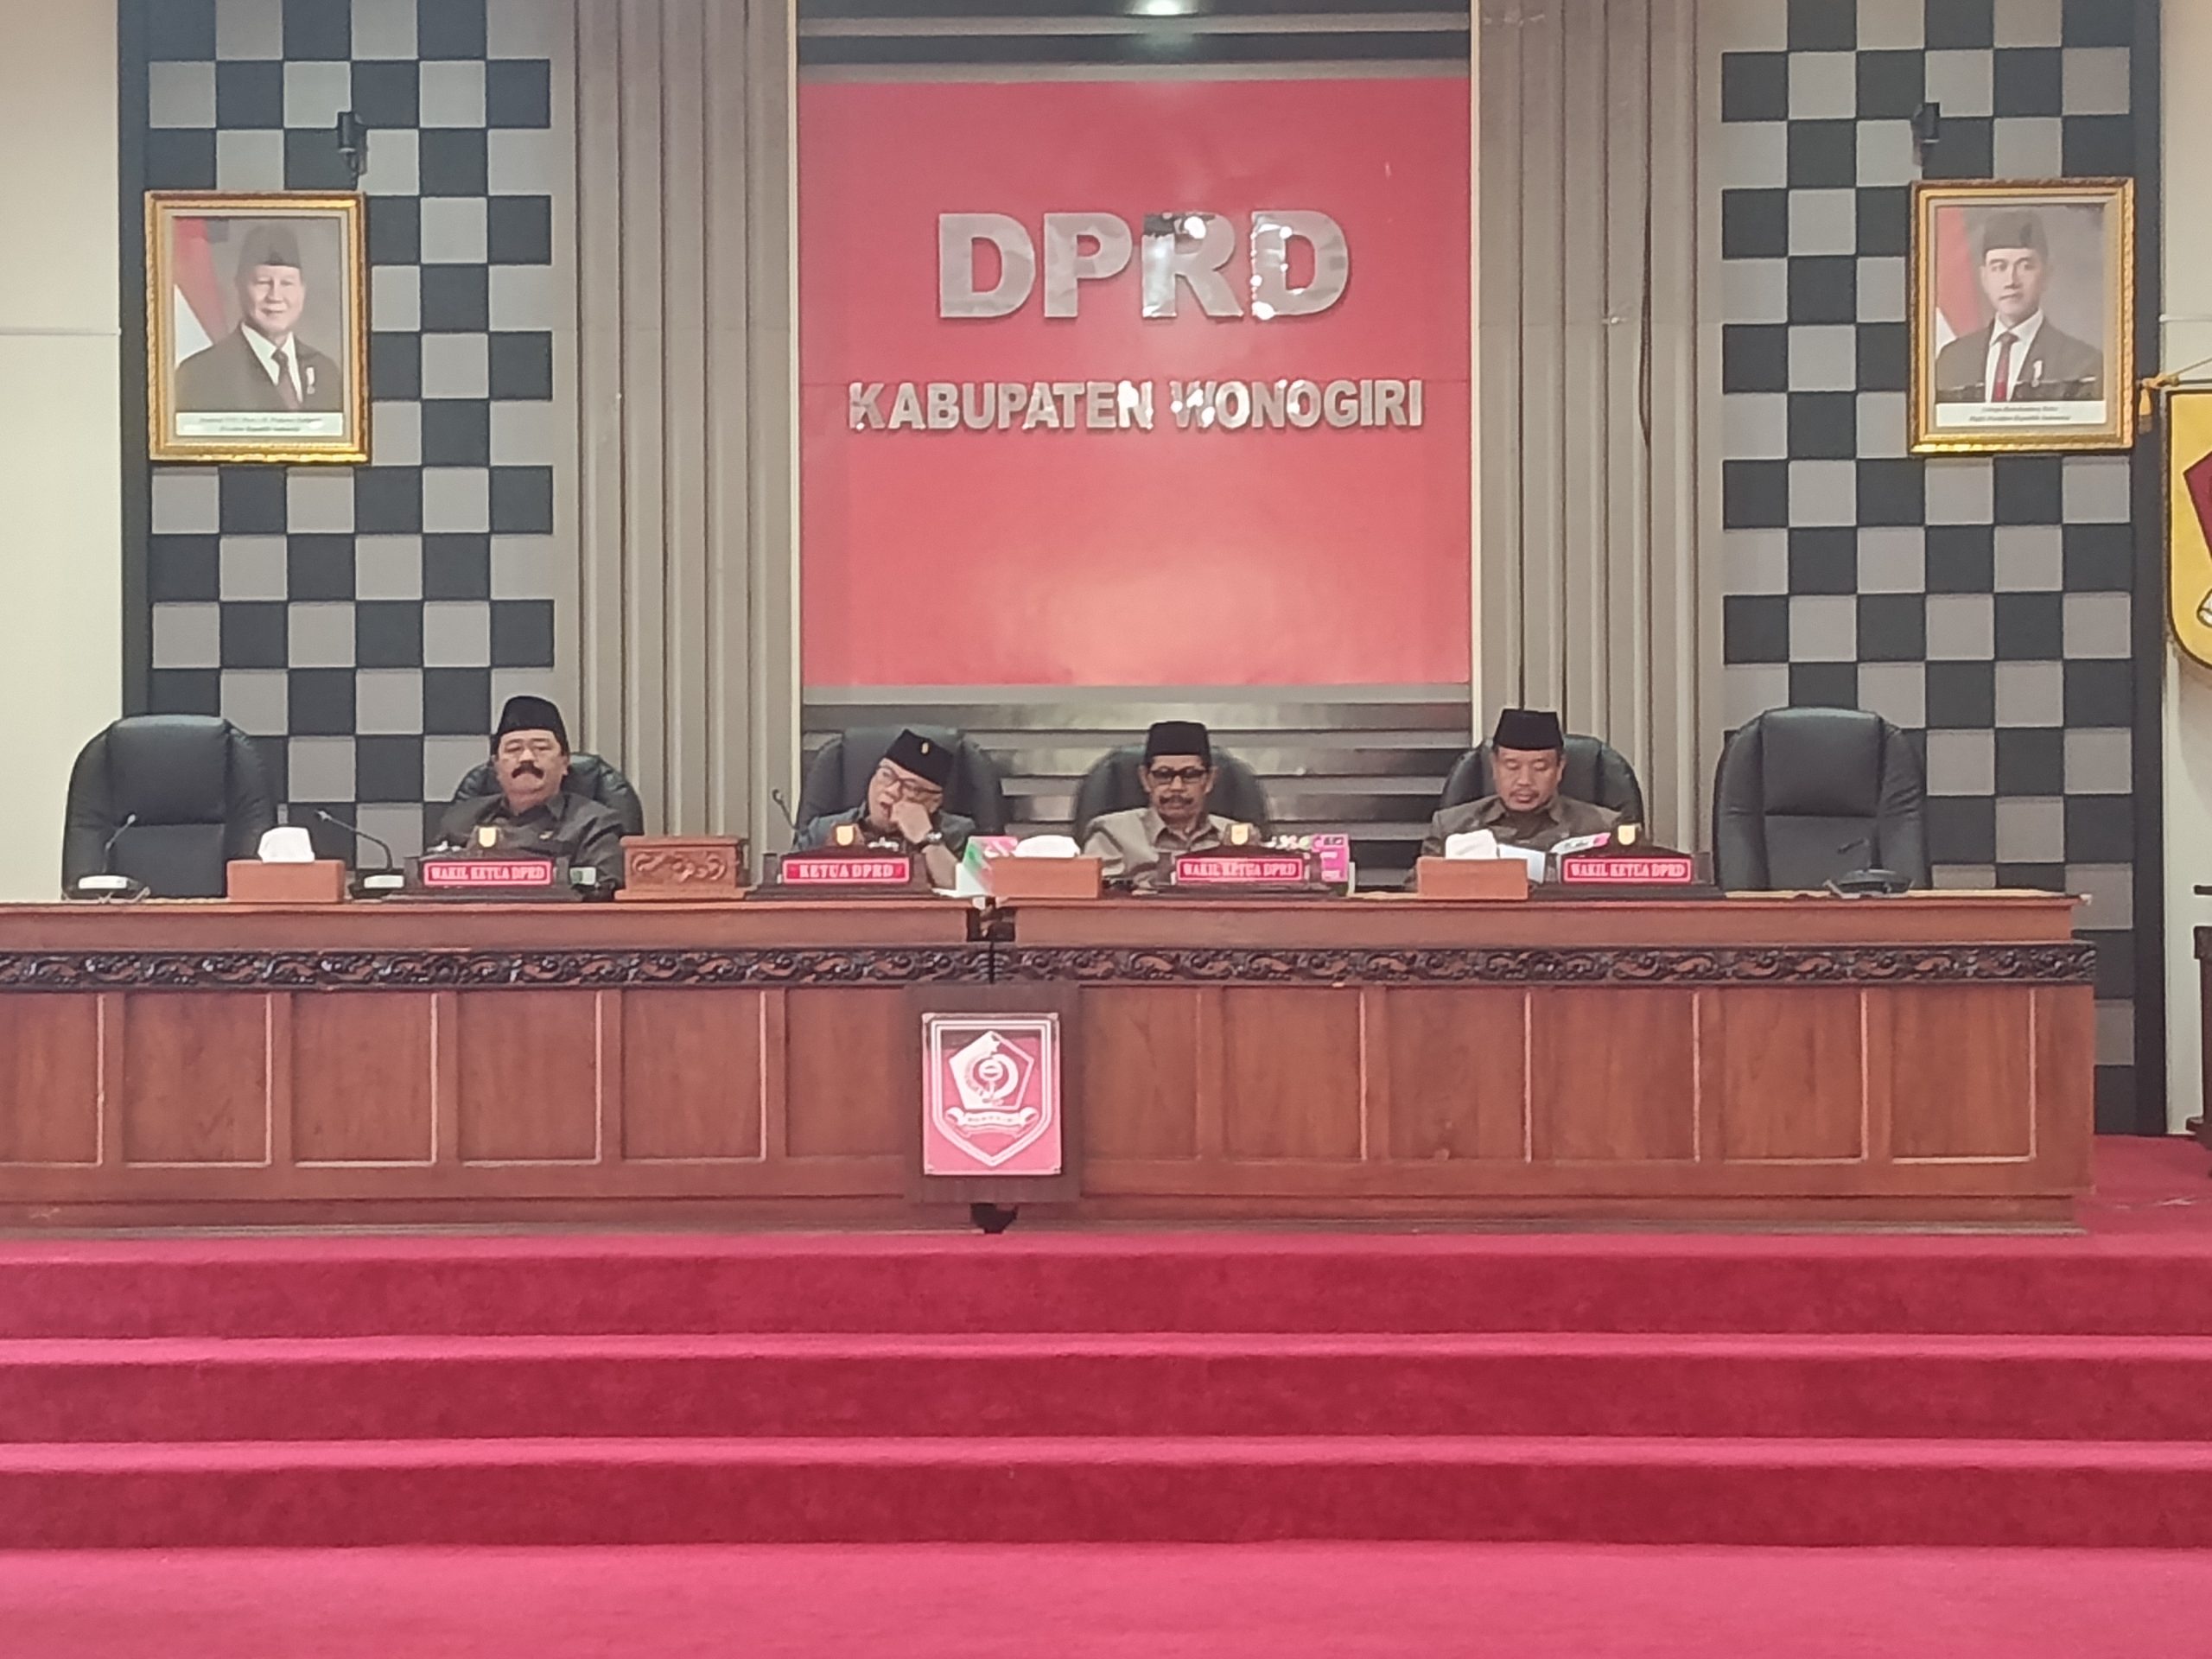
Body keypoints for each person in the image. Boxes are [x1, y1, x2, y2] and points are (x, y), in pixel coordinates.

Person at [435, 696, 627, 891]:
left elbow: (604, 889)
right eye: (514, 749)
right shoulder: (460, 821)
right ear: (496, 766)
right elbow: (429, 884)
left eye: (541, 748)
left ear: (565, 762)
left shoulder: (594, 824)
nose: (526, 758)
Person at [1932, 212, 2104, 405]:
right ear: (1984, 278)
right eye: (1999, 267)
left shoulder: (2082, 363)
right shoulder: (1952, 359)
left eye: (2025, 266)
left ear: (2047, 274)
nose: (2011, 281)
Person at [174, 224, 346, 414]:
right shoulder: (200, 374)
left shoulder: (326, 372)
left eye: (287, 283)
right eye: (263, 283)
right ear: (239, 286)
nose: (275, 296)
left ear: (302, 290)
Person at [1418, 709, 1620, 858]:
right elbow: (1418, 894)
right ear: (1494, 765)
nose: (1525, 781)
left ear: (1560, 768)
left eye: (1540, 767)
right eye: (1512, 766)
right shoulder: (1452, 827)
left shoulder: (1602, 828)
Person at [1082, 720, 1254, 885]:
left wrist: (1249, 856)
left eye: (1190, 775)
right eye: (1163, 775)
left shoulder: (1238, 837)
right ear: (1145, 779)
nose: (1177, 787)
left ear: (1209, 780)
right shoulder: (1112, 834)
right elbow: (1096, 894)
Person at [795, 728, 970, 888]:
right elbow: (787, 884)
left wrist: (926, 838)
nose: (892, 791)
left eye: (911, 788)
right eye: (886, 775)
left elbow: (970, 895)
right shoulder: (823, 830)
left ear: (934, 802)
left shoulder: (957, 834)